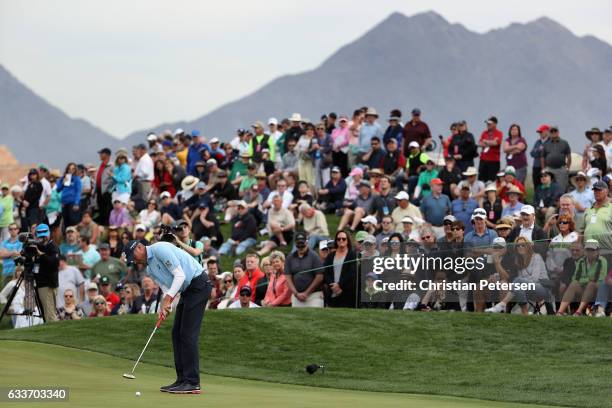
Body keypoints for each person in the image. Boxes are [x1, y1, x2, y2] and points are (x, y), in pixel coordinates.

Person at [124, 240, 212, 394]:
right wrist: (167, 304)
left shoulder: (160, 249)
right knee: (176, 334)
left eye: (134, 256)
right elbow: (167, 287)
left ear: (139, 247)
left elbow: (180, 275)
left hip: (199, 285)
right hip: (187, 291)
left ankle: (193, 382)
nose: (135, 260)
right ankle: (182, 379)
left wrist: (167, 299)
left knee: (187, 335)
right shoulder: (150, 268)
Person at [486, 237, 549, 315]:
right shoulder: (518, 260)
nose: (520, 247)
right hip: (526, 288)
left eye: (523, 245)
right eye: (518, 246)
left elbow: (534, 279)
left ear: (528, 246)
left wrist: (519, 282)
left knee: (518, 282)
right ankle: (525, 314)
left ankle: (502, 304)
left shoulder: (536, 257)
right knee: (517, 286)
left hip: (541, 287)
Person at [557, 239, 607, 316]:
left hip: (597, 289)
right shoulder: (581, 261)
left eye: (592, 250)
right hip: (584, 288)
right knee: (574, 284)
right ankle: (560, 311)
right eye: (588, 250)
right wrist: (588, 279)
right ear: (585, 251)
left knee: (591, 284)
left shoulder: (602, 261)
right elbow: (575, 278)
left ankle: (578, 312)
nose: (590, 252)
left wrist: (586, 280)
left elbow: (600, 279)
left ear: (597, 251)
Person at [284, 231, 324, 307]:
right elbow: (288, 277)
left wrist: (307, 293)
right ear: (295, 243)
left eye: (302, 243)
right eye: (298, 243)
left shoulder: (314, 256)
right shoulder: (290, 257)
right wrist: (296, 293)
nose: (301, 246)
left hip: (313, 295)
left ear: (307, 242)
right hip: (297, 296)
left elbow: (319, 277)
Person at [32, 224, 60, 322]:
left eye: (44, 235)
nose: (43, 238)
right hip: (41, 283)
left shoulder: (52, 247)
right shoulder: (37, 246)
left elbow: (54, 263)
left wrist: (41, 255)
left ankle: (54, 333)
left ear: (49, 234)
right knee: (47, 311)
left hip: (47, 284)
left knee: (49, 313)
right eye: (40, 235)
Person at [324, 230, 357, 308]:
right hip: (332, 290)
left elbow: (352, 273)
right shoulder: (330, 256)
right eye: (338, 239)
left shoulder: (352, 255)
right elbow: (326, 272)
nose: (341, 240)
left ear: (347, 240)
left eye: (343, 239)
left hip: (347, 292)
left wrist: (339, 285)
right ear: (336, 241)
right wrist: (333, 286)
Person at [541, 126, 571, 191]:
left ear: (558, 132)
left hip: (561, 169)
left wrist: (567, 168)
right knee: (548, 188)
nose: (553, 132)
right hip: (549, 169)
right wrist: (543, 169)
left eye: (555, 131)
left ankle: (561, 200)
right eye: (552, 131)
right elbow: (542, 157)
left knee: (561, 188)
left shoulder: (564, 143)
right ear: (549, 133)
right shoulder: (546, 144)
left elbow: (569, 156)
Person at [56, 162, 82, 229]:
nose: (71, 170)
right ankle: (67, 237)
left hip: (72, 203)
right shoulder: (64, 178)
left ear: (75, 170)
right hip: (64, 203)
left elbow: (78, 191)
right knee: (66, 221)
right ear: (67, 169)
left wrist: (76, 203)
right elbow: (58, 189)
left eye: (73, 169)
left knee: (73, 221)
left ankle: (75, 236)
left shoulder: (77, 179)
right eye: (69, 169)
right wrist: (62, 182)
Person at [477, 116, 503, 182]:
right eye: (487, 123)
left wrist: (485, 141)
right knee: (481, 180)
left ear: (495, 124)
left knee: (492, 180)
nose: (488, 125)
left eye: (490, 124)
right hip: (483, 160)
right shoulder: (484, 133)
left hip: (493, 161)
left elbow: (496, 143)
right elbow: (479, 143)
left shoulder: (499, 133)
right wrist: (490, 142)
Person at [94, 147, 114, 225]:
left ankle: (107, 225)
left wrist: (109, 190)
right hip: (99, 191)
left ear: (107, 155)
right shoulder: (100, 165)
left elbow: (114, 179)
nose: (100, 155)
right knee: (101, 210)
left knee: (107, 211)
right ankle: (102, 226)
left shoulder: (112, 166)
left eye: (101, 154)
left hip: (106, 192)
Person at [0, 223, 22, 289]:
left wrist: (7, 253)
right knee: (5, 297)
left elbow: (19, 254)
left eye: (15, 229)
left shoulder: (21, 242)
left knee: (17, 296)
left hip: (17, 272)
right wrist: (13, 252)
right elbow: (1, 254)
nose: (13, 230)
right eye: (11, 229)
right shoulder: (4, 242)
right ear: (8, 231)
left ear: (18, 230)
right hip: (6, 272)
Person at [530, 125, 550, 189]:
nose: (540, 134)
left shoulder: (550, 142)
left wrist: (540, 152)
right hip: (536, 166)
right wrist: (539, 150)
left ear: (547, 131)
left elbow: (547, 154)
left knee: (546, 184)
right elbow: (532, 153)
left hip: (546, 167)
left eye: (541, 132)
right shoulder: (537, 142)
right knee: (536, 184)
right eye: (539, 132)